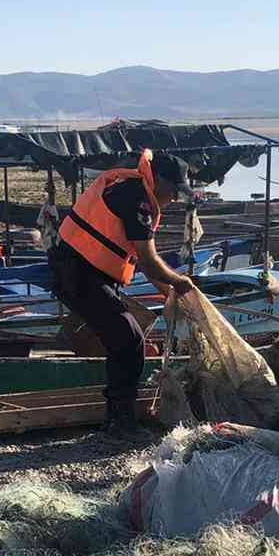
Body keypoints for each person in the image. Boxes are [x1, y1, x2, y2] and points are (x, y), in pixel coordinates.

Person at [50, 149, 203, 434]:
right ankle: (119, 419)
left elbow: (147, 266)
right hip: (77, 273)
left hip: (86, 272)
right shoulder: (137, 198)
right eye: (172, 191)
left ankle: (119, 414)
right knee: (128, 338)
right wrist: (180, 283)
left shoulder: (133, 188)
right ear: (156, 179)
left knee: (124, 337)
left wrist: (169, 294)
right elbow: (149, 260)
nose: (172, 199)